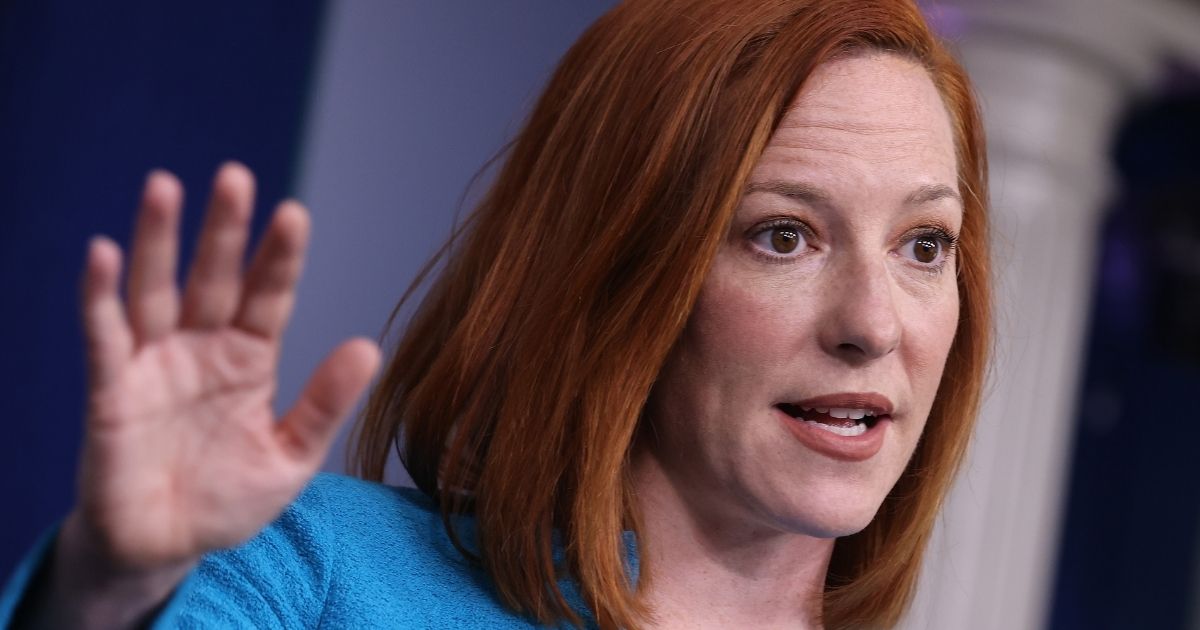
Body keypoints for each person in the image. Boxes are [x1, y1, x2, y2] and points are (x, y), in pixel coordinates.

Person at [0, 0, 990, 627]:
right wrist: (104, 594)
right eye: (782, 236)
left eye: (924, 246)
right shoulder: (307, 573)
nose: (874, 322)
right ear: (616, 270)